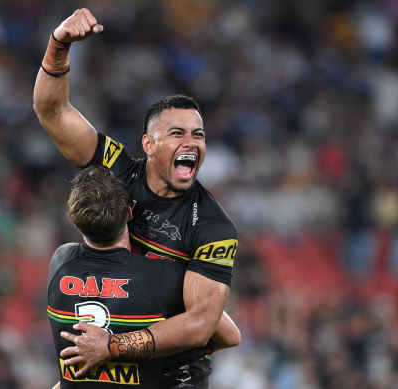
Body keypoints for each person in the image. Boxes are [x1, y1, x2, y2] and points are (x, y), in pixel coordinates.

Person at [34, 8, 240, 388]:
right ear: (148, 143)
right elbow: (53, 111)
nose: (191, 143)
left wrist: (112, 346)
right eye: (177, 133)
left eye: (199, 134)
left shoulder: (212, 225)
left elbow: (200, 326)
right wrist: (58, 45)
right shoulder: (117, 171)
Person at [48, 165, 187, 387]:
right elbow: (226, 334)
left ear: (76, 220)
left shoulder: (61, 261)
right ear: (130, 214)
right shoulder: (162, 276)